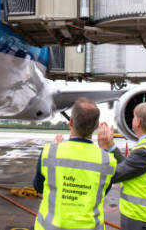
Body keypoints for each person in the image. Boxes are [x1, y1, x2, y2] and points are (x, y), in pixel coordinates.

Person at [33, 98, 117, 230]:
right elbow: (102, 191)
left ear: (70, 121)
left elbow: (38, 187)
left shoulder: (50, 152)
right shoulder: (107, 160)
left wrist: (56, 149)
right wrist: (104, 151)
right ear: (96, 126)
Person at [98, 102, 146, 230]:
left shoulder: (144, 152)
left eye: (133, 117)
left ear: (138, 122)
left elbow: (115, 174)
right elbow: (128, 168)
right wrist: (111, 147)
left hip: (140, 219)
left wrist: (104, 149)